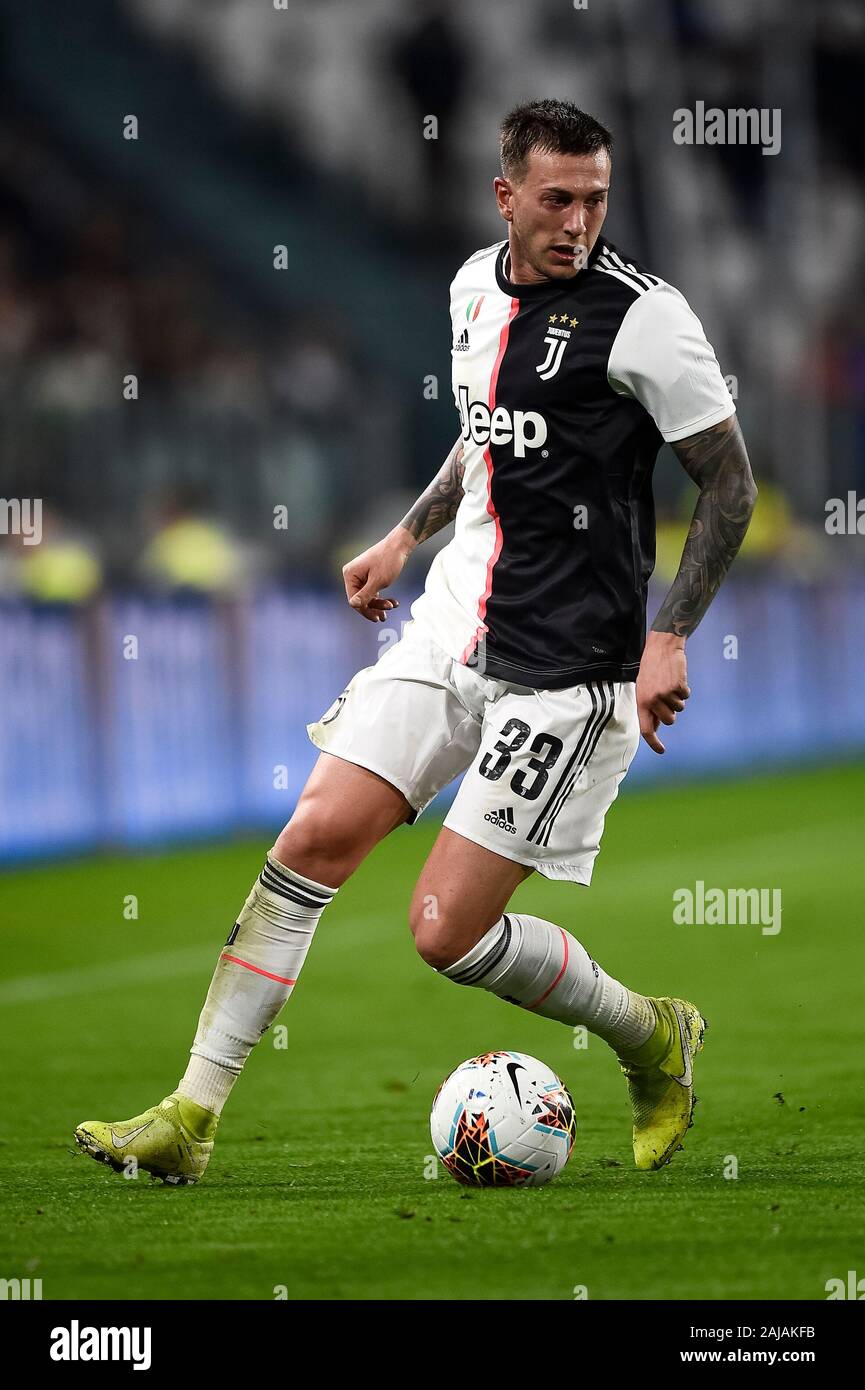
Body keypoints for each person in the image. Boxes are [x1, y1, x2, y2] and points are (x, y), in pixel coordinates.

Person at [75, 99, 757, 1185]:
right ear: (504, 196)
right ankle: (190, 1118)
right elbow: (482, 432)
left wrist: (668, 635)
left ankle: (647, 1033)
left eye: (595, 199)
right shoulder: (471, 288)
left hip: (566, 671)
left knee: (443, 932)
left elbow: (729, 484)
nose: (578, 221)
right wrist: (406, 534)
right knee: (310, 838)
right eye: (556, 199)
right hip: (450, 630)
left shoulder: (646, 318)